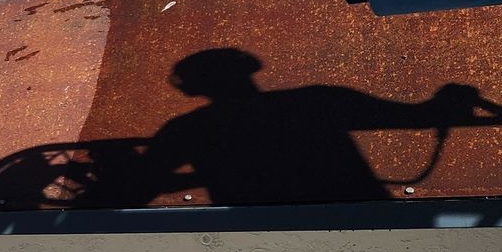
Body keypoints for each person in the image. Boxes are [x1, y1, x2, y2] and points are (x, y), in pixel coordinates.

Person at [141, 48, 480, 205]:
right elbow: (420, 117)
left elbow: (137, 185)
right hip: (360, 215)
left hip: (262, 236)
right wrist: (452, 100)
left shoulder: (186, 130)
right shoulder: (317, 100)